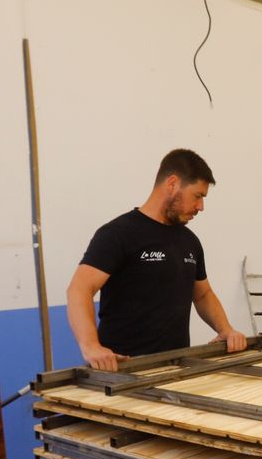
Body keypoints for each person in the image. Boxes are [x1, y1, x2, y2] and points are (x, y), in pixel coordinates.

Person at [65, 148, 247, 371]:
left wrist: (225, 329)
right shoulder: (118, 234)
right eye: (197, 196)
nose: (201, 207)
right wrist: (91, 346)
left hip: (176, 370)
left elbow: (203, 295)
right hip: (124, 371)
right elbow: (79, 289)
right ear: (172, 183)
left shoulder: (190, 242)